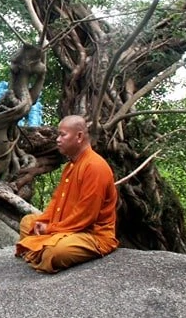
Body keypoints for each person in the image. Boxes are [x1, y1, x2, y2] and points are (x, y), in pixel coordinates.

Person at [15, 115, 118, 273]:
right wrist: (43, 222)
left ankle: (41, 250)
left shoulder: (95, 167)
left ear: (79, 136)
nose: (57, 139)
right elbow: (56, 202)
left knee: (55, 252)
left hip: (91, 234)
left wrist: (49, 229)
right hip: (67, 227)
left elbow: (85, 217)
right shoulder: (70, 166)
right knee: (27, 222)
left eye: (63, 135)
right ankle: (41, 248)